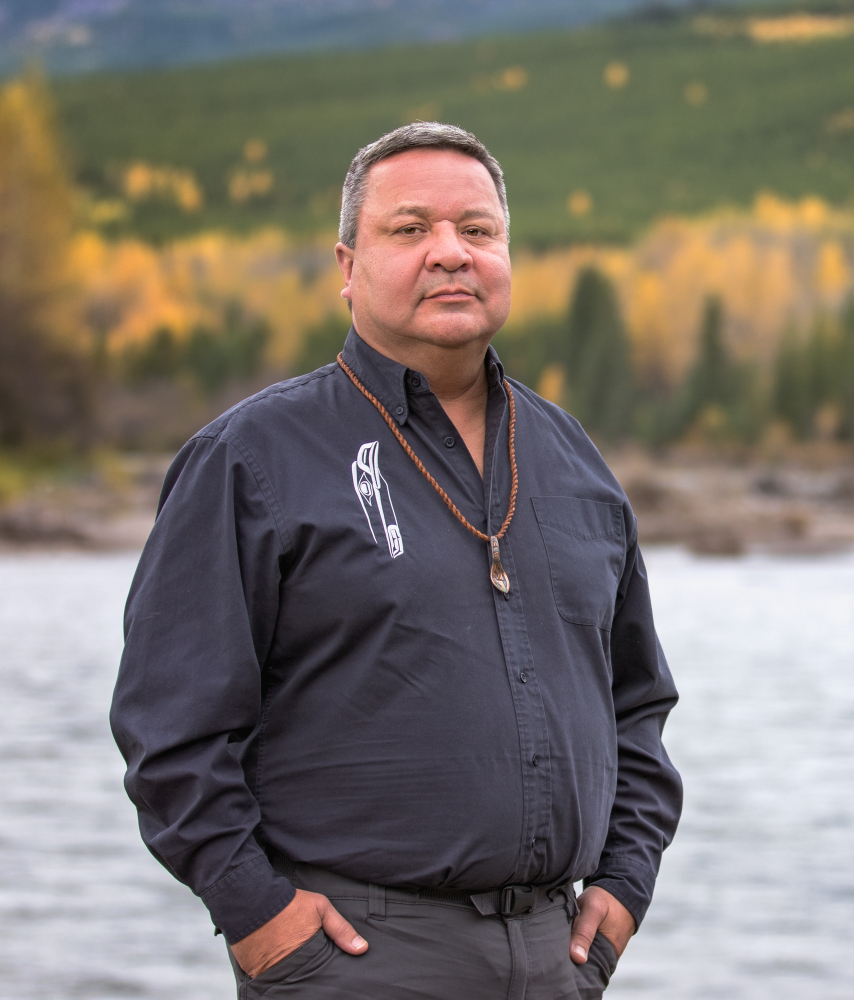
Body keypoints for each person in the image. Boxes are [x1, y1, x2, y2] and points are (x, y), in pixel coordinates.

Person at [110, 122, 682, 1000]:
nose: (450, 253)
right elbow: (169, 730)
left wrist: (625, 886)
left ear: (506, 255)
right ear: (347, 265)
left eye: (478, 230)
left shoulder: (573, 461)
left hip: (557, 957)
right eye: (409, 229)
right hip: (356, 960)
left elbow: (637, 705)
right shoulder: (253, 458)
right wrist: (262, 921)